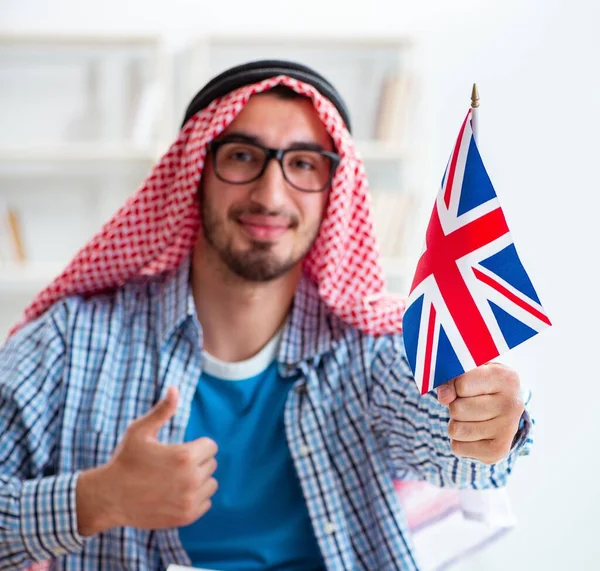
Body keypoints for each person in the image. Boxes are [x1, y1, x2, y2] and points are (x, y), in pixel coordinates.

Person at [0, 61, 532, 571]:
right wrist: (96, 498)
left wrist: (485, 418)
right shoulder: (72, 341)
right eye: (241, 156)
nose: (270, 195)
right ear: (194, 174)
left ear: (333, 194)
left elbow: (454, 454)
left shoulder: (372, 347)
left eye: (303, 164)